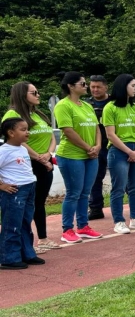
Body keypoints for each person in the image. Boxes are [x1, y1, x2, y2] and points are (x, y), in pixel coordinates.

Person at [3, 81, 60, 252]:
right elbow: (17, 141)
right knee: (25, 205)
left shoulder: (38, 114)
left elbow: (51, 136)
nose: (38, 95)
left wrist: (49, 155)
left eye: (37, 92)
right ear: (22, 95)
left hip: (45, 162)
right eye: (33, 93)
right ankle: (23, 244)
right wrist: (38, 158)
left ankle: (42, 239)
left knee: (39, 202)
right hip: (27, 164)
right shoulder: (12, 114)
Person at [53, 72, 103, 243]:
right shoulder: (63, 106)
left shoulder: (87, 106)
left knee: (85, 192)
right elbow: (68, 130)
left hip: (91, 155)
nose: (86, 86)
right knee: (73, 193)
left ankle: (83, 226)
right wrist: (88, 147)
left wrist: (97, 146)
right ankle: (67, 229)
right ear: (70, 86)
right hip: (71, 155)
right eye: (82, 83)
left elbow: (97, 128)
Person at [102, 74, 135, 235]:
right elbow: (110, 135)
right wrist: (129, 152)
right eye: (133, 85)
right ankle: (119, 222)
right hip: (118, 151)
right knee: (119, 188)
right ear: (123, 86)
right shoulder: (110, 108)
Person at [0, 118, 46, 269]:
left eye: (27, 129)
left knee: (25, 222)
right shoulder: (3, 151)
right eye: (23, 129)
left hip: (29, 187)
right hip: (15, 191)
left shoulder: (22, 148)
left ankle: (27, 253)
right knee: (12, 224)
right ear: (11, 133)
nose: (28, 132)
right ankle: (9, 258)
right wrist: (2, 185)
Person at [87, 75, 112, 220]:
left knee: (122, 176)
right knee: (95, 178)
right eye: (92, 87)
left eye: (98, 87)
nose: (95, 90)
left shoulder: (115, 102)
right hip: (96, 146)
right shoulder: (86, 104)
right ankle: (96, 209)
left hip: (115, 144)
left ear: (106, 87)